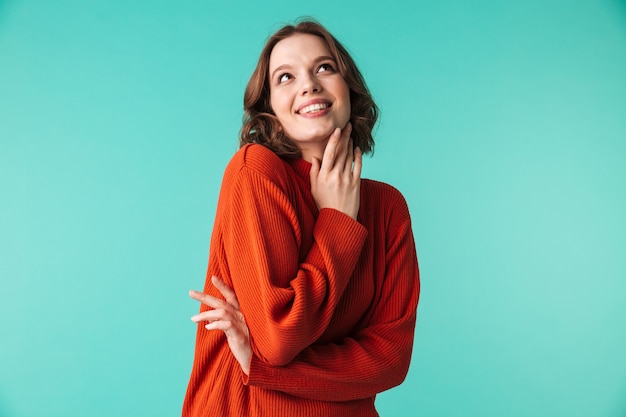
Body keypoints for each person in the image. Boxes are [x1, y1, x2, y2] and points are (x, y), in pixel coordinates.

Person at [182, 20, 420, 417]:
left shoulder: (388, 207)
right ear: (269, 107)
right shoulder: (255, 172)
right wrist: (337, 221)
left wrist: (259, 365)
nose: (308, 85)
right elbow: (279, 336)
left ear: (350, 88)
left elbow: (390, 360)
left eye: (324, 68)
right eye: (285, 77)